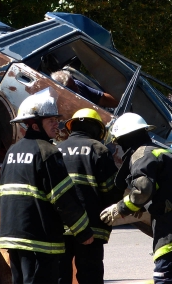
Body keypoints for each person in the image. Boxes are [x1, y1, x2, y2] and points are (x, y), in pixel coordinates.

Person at [99, 112, 172, 284]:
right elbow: (163, 187)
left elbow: (143, 190)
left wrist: (120, 208)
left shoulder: (142, 154)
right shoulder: (159, 151)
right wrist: (140, 206)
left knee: (165, 275)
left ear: (124, 138)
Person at [0, 90, 94, 284]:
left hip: (13, 238)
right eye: (50, 120)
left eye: (56, 120)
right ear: (35, 124)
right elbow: (63, 198)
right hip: (38, 241)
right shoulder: (48, 152)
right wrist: (83, 231)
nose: (56, 124)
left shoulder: (12, 152)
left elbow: (2, 197)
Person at [57, 108, 118, 284]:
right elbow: (110, 190)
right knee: (90, 276)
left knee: (61, 276)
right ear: (98, 129)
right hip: (92, 228)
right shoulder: (99, 150)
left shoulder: (57, 150)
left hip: (61, 227)